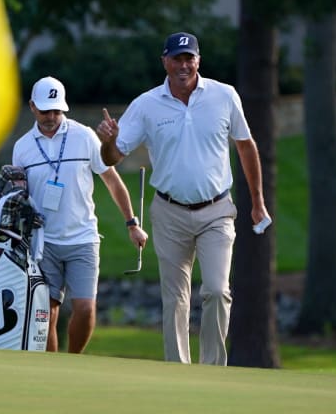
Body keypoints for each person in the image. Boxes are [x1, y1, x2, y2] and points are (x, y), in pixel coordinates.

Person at [96, 32, 270, 366]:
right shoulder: (146, 105)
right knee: (175, 299)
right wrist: (109, 140)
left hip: (217, 211)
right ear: (165, 61)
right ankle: (178, 374)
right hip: (169, 212)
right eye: (177, 59)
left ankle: (211, 371)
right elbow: (112, 157)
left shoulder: (224, 96)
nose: (183, 65)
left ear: (198, 61)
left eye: (189, 58)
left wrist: (258, 201)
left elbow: (245, 145)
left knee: (218, 291)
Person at [0, 76, 148, 354]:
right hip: (42, 243)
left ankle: (73, 360)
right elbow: (13, 198)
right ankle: (52, 366)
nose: (52, 116)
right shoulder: (23, 147)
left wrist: (132, 223)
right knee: (46, 313)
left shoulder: (84, 136)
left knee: (86, 309)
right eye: (45, 110)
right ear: (32, 107)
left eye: (57, 110)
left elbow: (112, 181)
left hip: (83, 239)